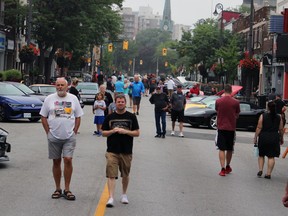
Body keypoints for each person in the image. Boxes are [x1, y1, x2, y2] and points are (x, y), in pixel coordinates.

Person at [40, 77, 84, 200]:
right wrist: (48, 132)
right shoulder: (49, 99)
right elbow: (43, 116)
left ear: (67, 86)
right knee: (56, 161)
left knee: (68, 160)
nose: (60, 87)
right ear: (55, 86)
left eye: (62, 85)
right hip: (53, 136)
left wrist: (75, 131)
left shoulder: (73, 98)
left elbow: (78, 116)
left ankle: (67, 189)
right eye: (58, 85)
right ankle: (58, 188)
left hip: (69, 136)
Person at [102, 94, 140, 208]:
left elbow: (137, 133)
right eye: (118, 102)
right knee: (111, 175)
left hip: (126, 150)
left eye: (122, 102)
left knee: (125, 174)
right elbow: (103, 132)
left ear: (125, 102)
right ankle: (111, 197)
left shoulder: (131, 117)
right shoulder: (109, 117)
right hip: (112, 150)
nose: (120, 103)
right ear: (115, 103)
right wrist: (112, 131)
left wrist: (126, 132)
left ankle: (124, 194)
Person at [254, 100, 284, 179]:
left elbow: (259, 127)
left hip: (263, 137)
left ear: (268, 107)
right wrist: (282, 138)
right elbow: (281, 129)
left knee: (261, 155)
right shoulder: (279, 117)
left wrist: (255, 137)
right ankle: (268, 173)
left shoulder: (263, 116)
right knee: (271, 157)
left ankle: (260, 170)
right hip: (274, 137)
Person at [215, 84, 240, 177]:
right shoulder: (236, 102)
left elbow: (217, 111)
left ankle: (222, 168)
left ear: (224, 91)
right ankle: (228, 165)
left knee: (221, 148)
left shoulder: (218, 101)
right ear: (231, 91)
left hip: (221, 127)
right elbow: (237, 115)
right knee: (229, 148)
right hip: (231, 128)